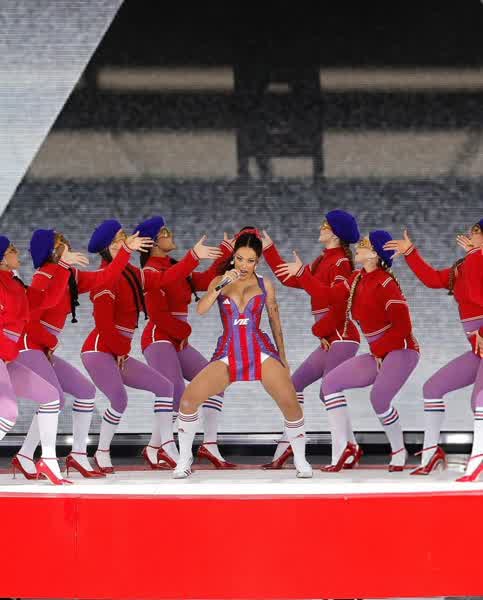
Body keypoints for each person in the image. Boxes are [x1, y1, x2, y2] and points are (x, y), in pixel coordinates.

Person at [80, 219, 223, 473]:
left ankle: (164, 445)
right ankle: (99, 452)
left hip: (116, 350)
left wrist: (194, 257)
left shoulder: (133, 273)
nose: (128, 239)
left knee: (165, 387)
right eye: (121, 238)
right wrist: (121, 350)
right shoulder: (106, 278)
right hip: (100, 350)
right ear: (112, 247)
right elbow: (103, 324)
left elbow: (165, 278)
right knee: (119, 399)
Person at [172, 227, 313, 479]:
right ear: (233, 256)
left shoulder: (265, 284)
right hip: (228, 351)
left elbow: (275, 320)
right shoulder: (219, 280)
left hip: (260, 349)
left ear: (257, 261)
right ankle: (184, 459)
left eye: (250, 260)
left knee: (290, 404)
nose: (244, 265)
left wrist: (283, 357)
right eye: (239, 258)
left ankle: (301, 459)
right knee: (188, 401)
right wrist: (222, 284)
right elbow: (201, 309)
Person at [13, 227, 152, 478]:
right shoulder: (43, 275)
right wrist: (50, 341)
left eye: (65, 240)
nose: (67, 244)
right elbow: (30, 318)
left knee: (85, 392)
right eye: (61, 243)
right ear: (53, 251)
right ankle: (33, 456)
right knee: (54, 398)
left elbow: (105, 276)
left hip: (42, 347)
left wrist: (126, 251)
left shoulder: (70, 274)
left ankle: (76, 455)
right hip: (28, 345)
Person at [277, 231, 419, 471]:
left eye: (364, 244)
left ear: (374, 254)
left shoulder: (386, 284)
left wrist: (381, 352)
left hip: (402, 351)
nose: (358, 246)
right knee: (330, 384)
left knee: (379, 399)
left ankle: (398, 451)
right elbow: (327, 295)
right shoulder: (355, 279)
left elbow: (403, 327)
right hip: (379, 353)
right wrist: (302, 273)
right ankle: (343, 451)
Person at [261, 210, 361, 468]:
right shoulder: (323, 260)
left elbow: (336, 299)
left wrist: (321, 331)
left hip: (341, 336)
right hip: (330, 337)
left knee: (329, 390)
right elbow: (290, 279)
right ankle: (290, 445)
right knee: (294, 386)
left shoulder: (341, 263)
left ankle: (344, 450)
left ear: (335, 234)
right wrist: (269, 249)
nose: (320, 227)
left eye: (325, 225)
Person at [384, 223, 483, 481]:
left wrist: (476, 255)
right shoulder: (465, 266)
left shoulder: (475, 261)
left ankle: (478, 461)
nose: (470, 234)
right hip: (478, 349)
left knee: (479, 401)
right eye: (472, 230)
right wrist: (410, 253)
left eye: (476, 231)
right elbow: (433, 279)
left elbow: (478, 294)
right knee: (433, 388)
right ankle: (430, 454)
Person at [136, 216, 235, 468]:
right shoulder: (149, 272)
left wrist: (225, 254)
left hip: (178, 338)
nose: (171, 235)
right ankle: (169, 449)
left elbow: (203, 281)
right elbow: (158, 315)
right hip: (159, 338)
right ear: (153, 242)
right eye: (165, 232)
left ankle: (205, 445)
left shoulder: (174, 266)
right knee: (176, 394)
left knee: (216, 381)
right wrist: (193, 256)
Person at [0, 235, 88, 484]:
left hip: (6, 357)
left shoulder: (15, 284)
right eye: (12, 249)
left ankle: (48, 460)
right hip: (4, 354)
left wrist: (63, 266)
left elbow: (46, 300)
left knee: (50, 397)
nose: (18, 252)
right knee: (7, 412)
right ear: (2, 258)